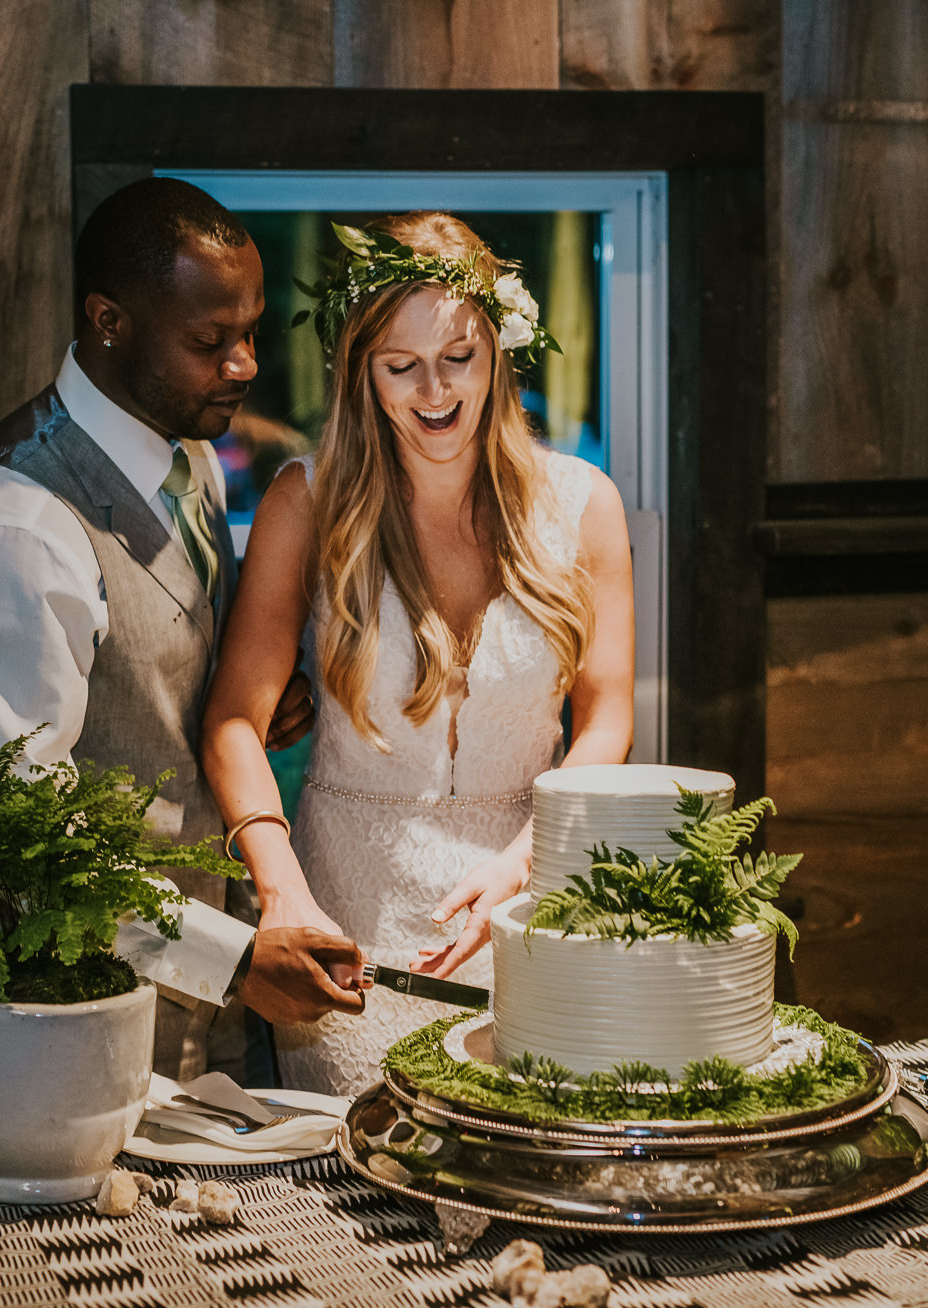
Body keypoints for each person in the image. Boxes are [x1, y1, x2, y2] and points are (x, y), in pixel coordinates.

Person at [0, 178, 364, 1082]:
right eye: (209, 341)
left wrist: (243, 699)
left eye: (249, 332)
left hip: (200, 1004)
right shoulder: (12, 525)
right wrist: (229, 958)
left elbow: (151, 663)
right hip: (55, 1017)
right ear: (109, 320)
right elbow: (17, 834)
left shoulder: (193, 458)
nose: (244, 365)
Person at [201, 213, 636, 1094]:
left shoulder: (584, 504)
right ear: (362, 373)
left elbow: (607, 716)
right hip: (352, 911)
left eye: (458, 358)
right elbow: (235, 721)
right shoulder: (308, 503)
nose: (433, 390)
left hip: (532, 902)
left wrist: (530, 859)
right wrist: (283, 895)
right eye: (400, 366)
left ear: (500, 353)